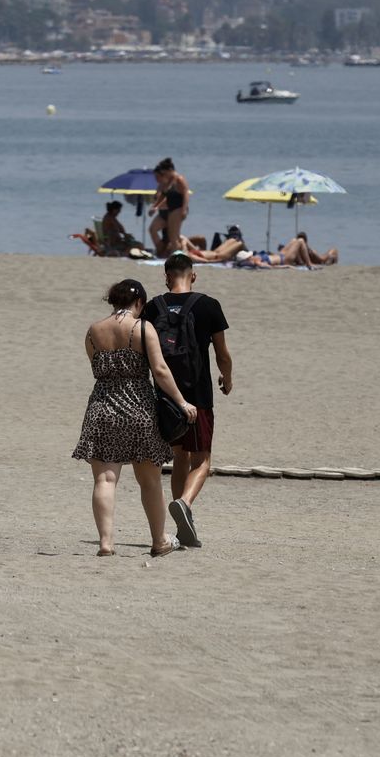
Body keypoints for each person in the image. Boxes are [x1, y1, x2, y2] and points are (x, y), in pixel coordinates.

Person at [72, 278, 198, 557]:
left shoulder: (93, 331)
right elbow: (160, 370)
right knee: (150, 480)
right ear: (139, 302)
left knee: (104, 480)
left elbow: (98, 368)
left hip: (102, 408)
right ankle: (159, 541)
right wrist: (181, 401)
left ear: (113, 300)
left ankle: (105, 543)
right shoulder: (143, 328)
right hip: (138, 408)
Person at [142, 253, 232, 548]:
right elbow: (222, 353)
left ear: (166, 277)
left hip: (166, 397)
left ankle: (183, 528)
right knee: (202, 458)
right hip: (199, 396)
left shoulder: (153, 307)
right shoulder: (208, 305)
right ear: (193, 275)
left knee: (180, 456)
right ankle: (184, 503)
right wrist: (226, 378)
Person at [147, 158, 189, 254]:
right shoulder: (168, 180)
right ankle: (174, 253)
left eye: (164, 172)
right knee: (171, 235)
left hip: (178, 208)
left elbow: (186, 193)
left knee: (173, 236)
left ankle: (178, 256)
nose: (164, 174)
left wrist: (184, 209)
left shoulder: (179, 179)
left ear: (170, 170)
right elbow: (163, 195)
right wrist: (155, 206)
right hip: (171, 209)